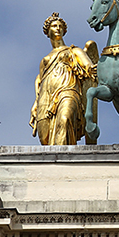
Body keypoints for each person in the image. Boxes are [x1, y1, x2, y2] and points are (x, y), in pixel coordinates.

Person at [30, 12, 97, 145]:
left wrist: (93, 69)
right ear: (47, 32)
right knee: (45, 137)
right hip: (46, 97)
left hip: (68, 91)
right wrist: (35, 105)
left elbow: (89, 66)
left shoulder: (74, 51)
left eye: (60, 26)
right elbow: (40, 83)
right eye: (54, 26)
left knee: (65, 119)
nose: (58, 28)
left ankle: (63, 160)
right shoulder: (44, 61)